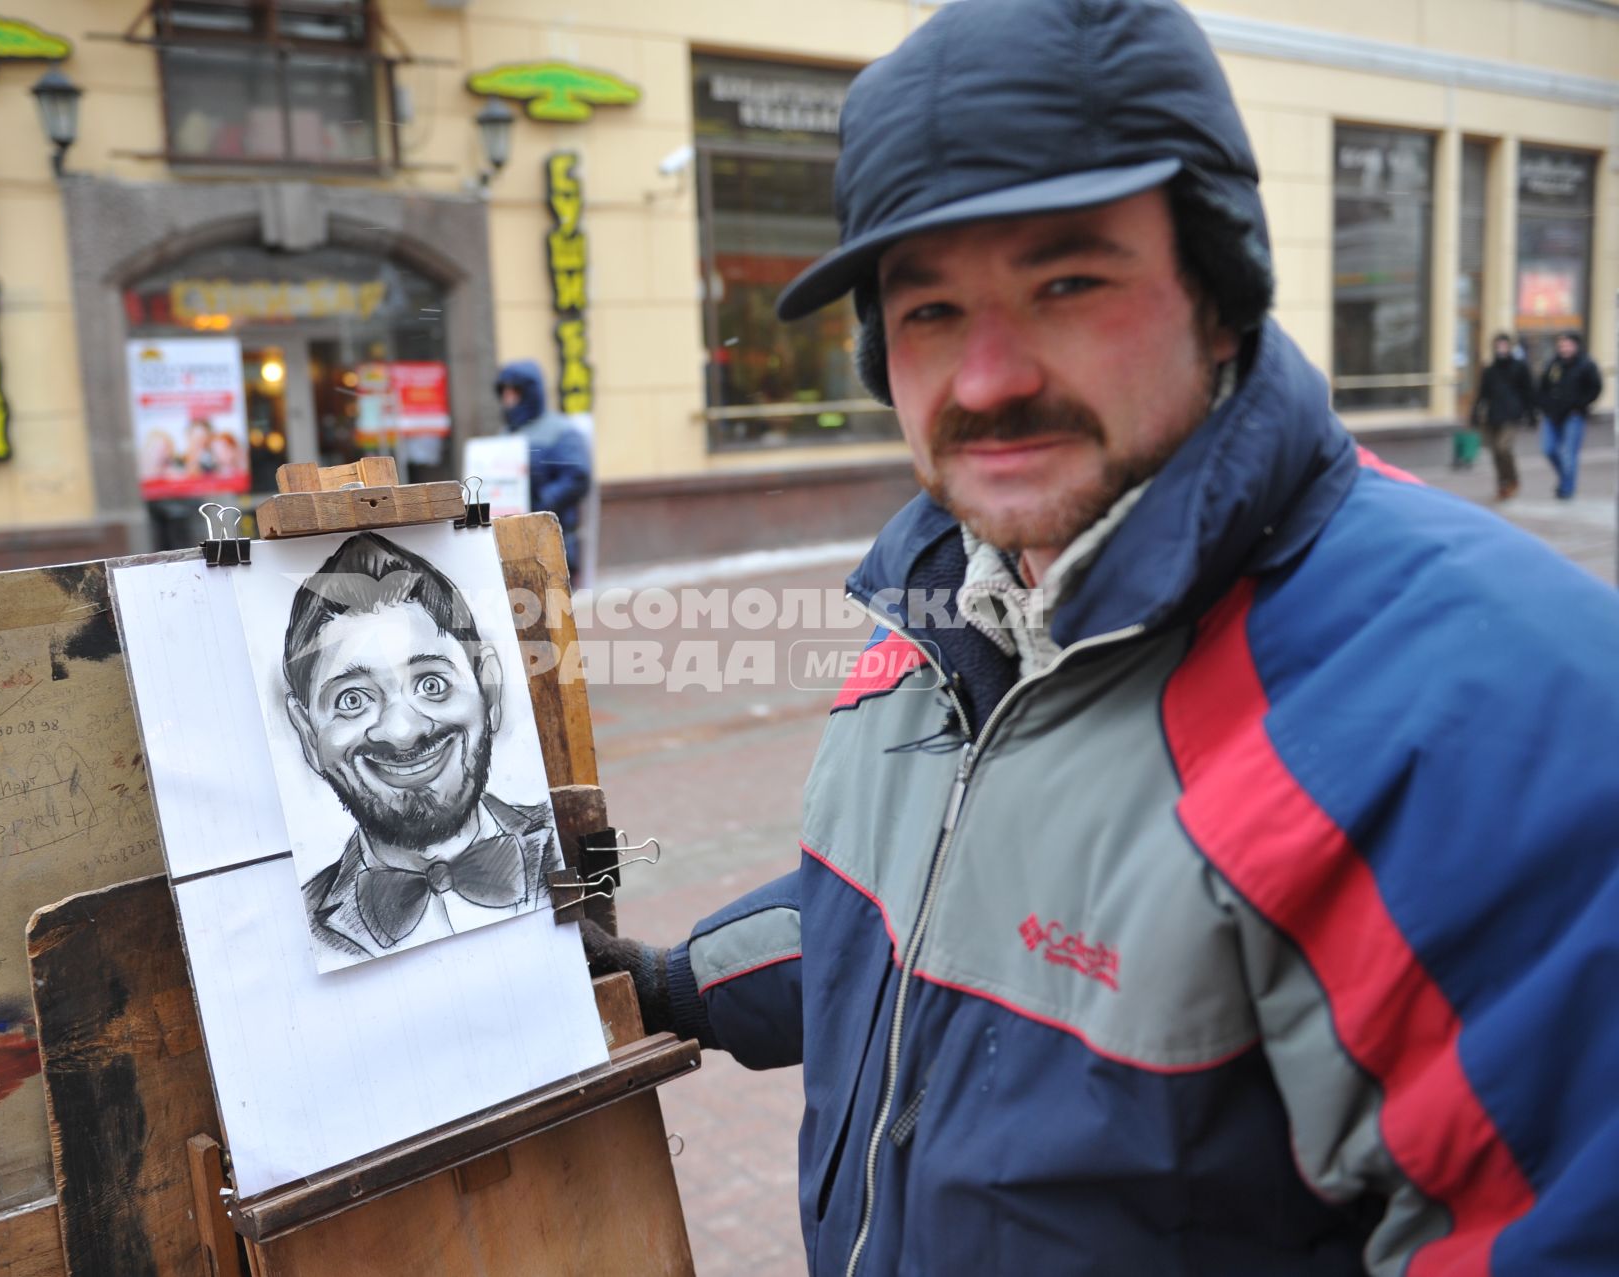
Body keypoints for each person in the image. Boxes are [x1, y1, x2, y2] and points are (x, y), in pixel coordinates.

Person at [585, 2, 1619, 1272]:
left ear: (1222, 291)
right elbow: (918, 898)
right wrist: (670, 982)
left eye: (1068, 282)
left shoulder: (1498, 703)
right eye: (928, 311)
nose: (986, 377)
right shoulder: (943, 604)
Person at [283, 531, 556, 965]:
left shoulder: (563, 847)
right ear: (307, 735)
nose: (403, 731)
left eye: (432, 684)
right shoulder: (293, 932)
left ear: (488, 688)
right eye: (352, 700)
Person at [493, 361, 591, 573]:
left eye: (514, 391)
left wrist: (543, 501)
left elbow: (577, 477)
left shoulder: (560, 430)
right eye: (504, 392)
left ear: (529, 392)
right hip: (514, 537)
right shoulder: (505, 433)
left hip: (552, 534)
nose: (507, 398)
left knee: (555, 600)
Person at [1536, 330, 1603, 500]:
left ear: (1575, 345)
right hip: (1552, 414)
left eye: (1567, 344)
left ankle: (1567, 489)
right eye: (1561, 345)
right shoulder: (1554, 364)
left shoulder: (1586, 364)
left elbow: (1595, 388)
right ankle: (1565, 478)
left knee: (1569, 453)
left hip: (1574, 416)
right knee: (1548, 449)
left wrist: (1580, 405)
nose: (1563, 348)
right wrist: (1544, 405)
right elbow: (1543, 386)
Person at [1473, 332, 1534, 500]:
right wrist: (1475, 412)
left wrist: (1531, 413)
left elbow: (1528, 390)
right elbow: (1482, 393)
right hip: (1493, 415)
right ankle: (1503, 483)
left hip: (1512, 415)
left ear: (1509, 347)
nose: (1501, 348)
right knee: (1495, 452)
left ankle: (1513, 479)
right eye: (1498, 345)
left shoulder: (1519, 367)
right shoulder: (1490, 369)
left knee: (1503, 448)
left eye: (1504, 345)